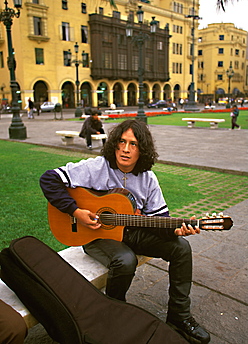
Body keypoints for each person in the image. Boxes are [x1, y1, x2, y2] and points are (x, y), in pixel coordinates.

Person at [40, 120, 210, 344]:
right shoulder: (97, 167)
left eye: (133, 144)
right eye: (122, 141)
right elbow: (49, 179)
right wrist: (76, 211)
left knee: (181, 248)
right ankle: (113, 314)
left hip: (133, 232)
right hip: (95, 234)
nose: (126, 149)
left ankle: (179, 316)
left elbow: (160, 221)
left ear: (143, 150)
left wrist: (177, 230)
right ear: (115, 144)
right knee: (125, 259)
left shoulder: (148, 179)